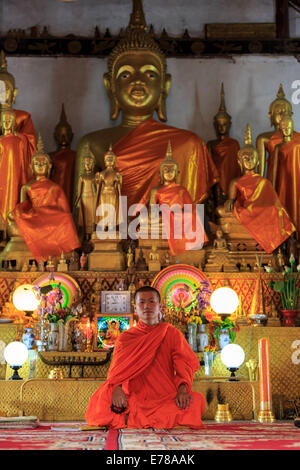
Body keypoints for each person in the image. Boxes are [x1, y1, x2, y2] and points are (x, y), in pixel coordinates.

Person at [76, 0, 219, 209]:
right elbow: (81, 208)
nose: (138, 80)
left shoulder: (189, 145)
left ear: (164, 86)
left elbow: (193, 212)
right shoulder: (91, 144)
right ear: (110, 86)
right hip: (110, 231)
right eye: (125, 73)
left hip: (165, 233)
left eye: (150, 73)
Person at [85, 285, 206, 429]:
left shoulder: (171, 333)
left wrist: (182, 391)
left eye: (151, 301)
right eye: (142, 302)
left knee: (196, 400)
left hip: (164, 396)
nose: (147, 306)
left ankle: (130, 419)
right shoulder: (126, 338)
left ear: (160, 306)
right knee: (100, 401)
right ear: (135, 309)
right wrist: (117, 390)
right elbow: (116, 372)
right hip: (135, 396)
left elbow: (184, 365)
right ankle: (145, 418)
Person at [218, 124, 295, 254]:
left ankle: (283, 249)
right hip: (244, 209)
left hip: (259, 209)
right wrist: (230, 201)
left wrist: (271, 208)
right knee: (221, 211)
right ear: (239, 162)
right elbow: (230, 199)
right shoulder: (235, 181)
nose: (249, 160)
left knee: (275, 210)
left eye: (252, 157)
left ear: (258, 161)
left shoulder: (263, 181)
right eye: (245, 158)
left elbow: (272, 201)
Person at [10, 134, 81, 263]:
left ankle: (64, 252)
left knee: (65, 218)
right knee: (15, 223)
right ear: (32, 167)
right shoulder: (26, 187)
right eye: (37, 163)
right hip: (35, 215)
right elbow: (22, 206)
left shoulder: (55, 187)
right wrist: (17, 213)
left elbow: (63, 209)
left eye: (44, 163)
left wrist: (58, 214)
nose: (40, 165)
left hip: (52, 215)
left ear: (49, 167)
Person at [149, 141, 208, 256]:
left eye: (172, 170)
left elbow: (190, 208)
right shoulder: (155, 190)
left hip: (179, 216)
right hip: (163, 217)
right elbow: (152, 209)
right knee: (147, 220)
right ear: (160, 173)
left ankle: (189, 243)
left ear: (177, 173)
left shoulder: (181, 189)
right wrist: (161, 213)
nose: (169, 172)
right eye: (166, 169)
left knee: (190, 216)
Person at [207, 83, 240, 202]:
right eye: (219, 125)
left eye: (224, 124)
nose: (221, 128)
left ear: (229, 125)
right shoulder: (211, 144)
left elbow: (237, 167)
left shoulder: (233, 144)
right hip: (216, 181)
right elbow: (209, 166)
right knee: (216, 209)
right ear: (215, 125)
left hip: (230, 180)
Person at [0, 108, 34, 224]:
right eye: (5, 120)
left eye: (10, 120)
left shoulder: (20, 141)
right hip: (2, 175)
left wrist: (22, 179)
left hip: (15, 176)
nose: (7, 123)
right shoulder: (0, 141)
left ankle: (12, 224)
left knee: (14, 198)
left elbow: (23, 163)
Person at [0, 50, 36, 145]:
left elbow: (30, 141)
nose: (1, 92)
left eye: (5, 89)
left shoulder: (23, 117)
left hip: (13, 158)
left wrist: (11, 135)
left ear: (14, 93)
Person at [272, 115, 300, 237]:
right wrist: (271, 189)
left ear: (292, 127)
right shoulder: (278, 147)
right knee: (283, 209)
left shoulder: (298, 145)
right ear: (280, 129)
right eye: (283, 127)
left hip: (297, 180)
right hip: (283, 182)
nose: (286, 129)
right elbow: (274, 169)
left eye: (288, 127)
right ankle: (285, 243)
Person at [50, 104, 76, 207]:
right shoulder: (49, 156)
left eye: (66, 135)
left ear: (72, 136)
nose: (64, 138)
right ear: (55, 136)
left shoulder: (76, 155)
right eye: (61, 135)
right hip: (54, 194)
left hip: (71, 192)